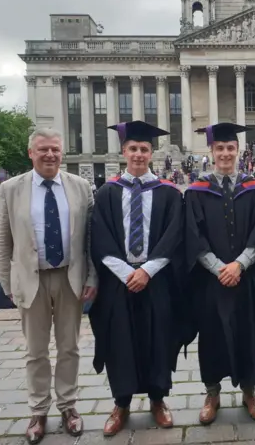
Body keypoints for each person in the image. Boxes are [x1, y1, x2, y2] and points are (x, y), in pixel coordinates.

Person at [0, 128, 97, 444]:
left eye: (55, 149)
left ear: (62, 152)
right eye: (43, 150)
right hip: (31, 279)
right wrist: (6, 282)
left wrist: (92, 277)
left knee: (70, 347)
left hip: (70, 276)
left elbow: (92, 239)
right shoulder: (11, 189)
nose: (50, 155)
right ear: (31, 153)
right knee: (35, 352)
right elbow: (3, 239)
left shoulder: (81, 187)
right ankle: (38, 411)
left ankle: (69, 407)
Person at [89, 121, 187, 437]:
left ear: (151, 153)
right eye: (133, 148)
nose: (139, 154)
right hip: (119, 281)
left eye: (144, 149)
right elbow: (100, 238)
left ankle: (159, 400)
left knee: (159, 339)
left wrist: (147, 271)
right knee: (120, 342)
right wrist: (127, 272)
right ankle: (121, 403)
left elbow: (174, 236)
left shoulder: (169, 194)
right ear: (124, 151)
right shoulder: (106, 193)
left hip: (155, 279)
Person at [185, 123, 255, 425]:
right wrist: (220, 267)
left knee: (249, 334)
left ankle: (249, 392)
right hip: (212, 281)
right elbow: (193, 237)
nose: (225, 153)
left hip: (246, 279)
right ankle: (212, 393)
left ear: (238, 151)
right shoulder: (196, 192)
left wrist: (240, 265)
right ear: (211, 152)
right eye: (219, 148)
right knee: (211, 337)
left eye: (230, 148)